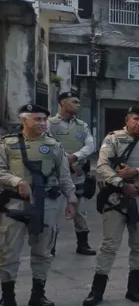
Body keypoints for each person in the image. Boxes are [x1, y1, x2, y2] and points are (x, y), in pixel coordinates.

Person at [0, 103, 77, 306]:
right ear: (24, 120)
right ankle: (7, 297)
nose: (43, 123)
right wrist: (16, 181)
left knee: (43, 251)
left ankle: (38, 294)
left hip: (47, 204)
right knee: (8, 251)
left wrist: (71, 201)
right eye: (38, 119)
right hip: (14, 204)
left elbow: (64, 176)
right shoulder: (7, 144)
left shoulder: (54, 145)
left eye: (44, 119)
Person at [83, 106, 139, 306]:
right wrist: (121, 184)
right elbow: (102, 166)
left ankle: (134, 289)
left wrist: (136, 172)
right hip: (116, 200)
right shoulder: (113, 139)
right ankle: (97, 291)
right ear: (127, 119)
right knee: (109, 245)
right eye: (135, 119)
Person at [47, 90, 97, 256]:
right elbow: (46, 145)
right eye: (74, 101)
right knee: (53, 213)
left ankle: (82, 245)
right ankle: (50, 247)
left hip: (77, 176)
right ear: (63, 103)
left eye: (78, 102)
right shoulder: (49, 124)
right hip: (55, 178)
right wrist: (65, 161)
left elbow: (90, 146)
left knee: (80, 212)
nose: (78, 105)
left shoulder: (82, 126)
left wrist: (75, 157)